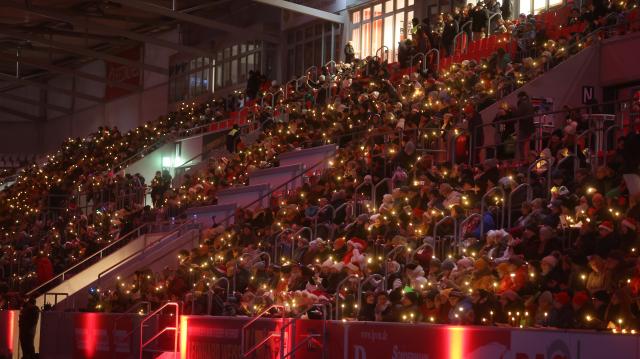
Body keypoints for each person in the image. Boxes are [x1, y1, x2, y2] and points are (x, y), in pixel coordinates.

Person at [514, 91, 535, 161]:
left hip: (524, 127)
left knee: (521, 144)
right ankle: (529, 159)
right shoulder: (530, 103)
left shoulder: (523, 104)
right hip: (530, 126)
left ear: (520, 97)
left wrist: (513, 110)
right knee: (527, 144)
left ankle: (523, 159)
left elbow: (518, 114)